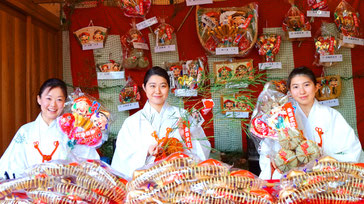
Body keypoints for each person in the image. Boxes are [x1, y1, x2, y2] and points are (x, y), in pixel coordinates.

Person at [259, 67, 362, 179]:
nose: (302, 91)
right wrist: (276, 158)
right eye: (296, 87)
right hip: (293, 177)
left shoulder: (331, 115)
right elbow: (268, 152)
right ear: (289, 91)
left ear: (316, 87)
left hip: (327, 174)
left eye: (306, 85)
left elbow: (352, 150)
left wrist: (321, 159)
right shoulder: (282, 117)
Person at [111, 66, 211, 178]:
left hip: (178, 181)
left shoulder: (182, 116)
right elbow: (122, 157)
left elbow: (203, 150)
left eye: (163, 86)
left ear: (169, 88)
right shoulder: (131, 122)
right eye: (152, 86)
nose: (157, 91)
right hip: (145, 184)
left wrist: (186, 137)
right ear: (144, 88)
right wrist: (146, 152)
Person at [0, 78, 99, 179]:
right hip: (31, 190)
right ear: (39, 99)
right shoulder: (25, 131)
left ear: (65, 102)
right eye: (48, 98)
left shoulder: (74, 132)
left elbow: (90, 164)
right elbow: (11, 166)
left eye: (59, 100)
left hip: (65, 191)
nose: (53, 104)